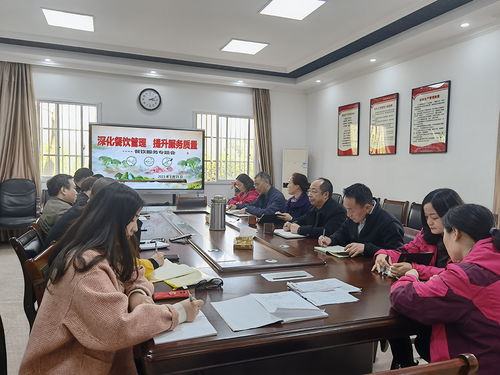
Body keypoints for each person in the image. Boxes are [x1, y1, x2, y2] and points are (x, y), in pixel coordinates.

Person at [20, 183, 203, 374]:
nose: (135, 227)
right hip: (70, 364)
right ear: (114, 221)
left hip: (95, 356)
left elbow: (132, 273)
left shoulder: (101, 248)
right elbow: (119, 328)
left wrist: (138, 294)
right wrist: (179, 312)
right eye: (133, 219)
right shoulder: (84, 268)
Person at [390, 204, 500, 375]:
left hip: (477, 366)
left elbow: (405, 298)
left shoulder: (466, 276)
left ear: (455, 233)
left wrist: (410, 276)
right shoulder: (491, 258)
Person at [372, 188, 464, 369]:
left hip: (444, 302)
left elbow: (452, 273)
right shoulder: (426, 234)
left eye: (435, 217)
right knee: (393, 314)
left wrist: (415, 269)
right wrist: (382, 254)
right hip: (424, 294)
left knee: (404, 323)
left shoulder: (462, 240)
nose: (429, 222)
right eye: (426, 216)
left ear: (451, 214)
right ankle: (405, 364)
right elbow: (404, 252)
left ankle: (406, 363)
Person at [46, 178, 165, 280]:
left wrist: (137, 291)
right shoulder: (88, 264)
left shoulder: (89, 220)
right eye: (132, 219)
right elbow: (120, 269)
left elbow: (121, 269)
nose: (135, 229)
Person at [318, 183, 403, 257]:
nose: (348, 214)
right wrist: (331, 239)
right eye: (346, 209)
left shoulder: (389, 223)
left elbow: (396, 253)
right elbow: (343, 233)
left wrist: (366, 248)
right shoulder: (354, 216)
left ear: (367, 207)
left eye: (351, 210)